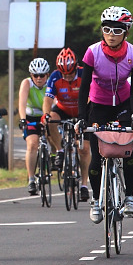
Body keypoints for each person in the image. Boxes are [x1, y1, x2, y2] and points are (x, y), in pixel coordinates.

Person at [77, 6, 133, 223]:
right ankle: (96, 200)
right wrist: (81, 117)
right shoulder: (92, 52)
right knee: (97, 157)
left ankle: (130, 197)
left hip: (124, 103)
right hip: (98, 105)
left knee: (127, 150)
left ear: (126, 32)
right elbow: (84, 87)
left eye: (117, 31)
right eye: (107, 30)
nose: (111, 36)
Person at [42, 47, 91, 201]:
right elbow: (48, 100)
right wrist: (45, 114)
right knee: (50, 120)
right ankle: (60, 150)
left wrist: (84, 116)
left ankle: (83, 185)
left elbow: (91, 96)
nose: (67, 77)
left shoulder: (84, 74)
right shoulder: (55, 77)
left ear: (76, 67)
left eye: (70, 74)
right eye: (64, 74)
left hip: (82, 110)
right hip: (63, 109)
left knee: (84, 149)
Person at [19, 57, 52, 195]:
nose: (39, 78)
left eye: (42, 75)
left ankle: (56, 157)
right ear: (31, 75)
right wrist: (22, 119)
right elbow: (22, 102)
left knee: (54, 136)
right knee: (32, 144)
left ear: (47, 75)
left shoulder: (51, 83)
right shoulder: (27, 83)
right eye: (35, 75)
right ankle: (31, 179)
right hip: (30, 116)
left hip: (47, 115)